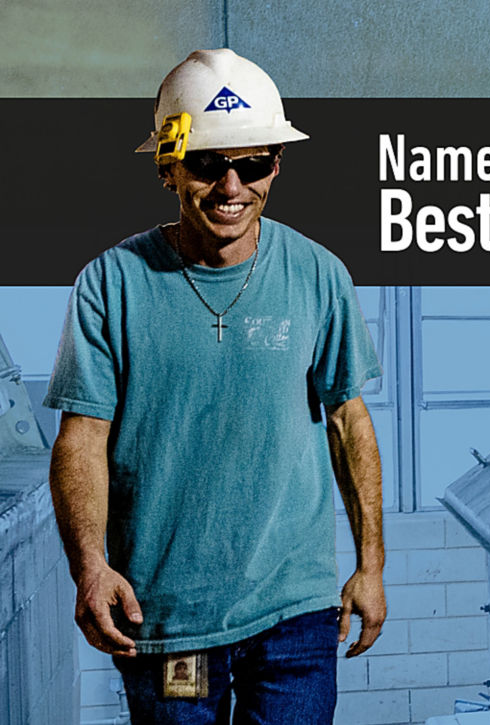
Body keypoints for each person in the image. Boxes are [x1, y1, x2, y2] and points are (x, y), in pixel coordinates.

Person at [45, 48, 385, 723]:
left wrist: (370, 565)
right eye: (208, 164)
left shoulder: (318, 275)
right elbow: (81, 438)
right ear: (167, 166)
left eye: (253, 163)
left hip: (295, 615)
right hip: (172, 623)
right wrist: (90, 566)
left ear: (276, 165)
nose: (233, 187)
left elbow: (350, 421)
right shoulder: (110, 285)